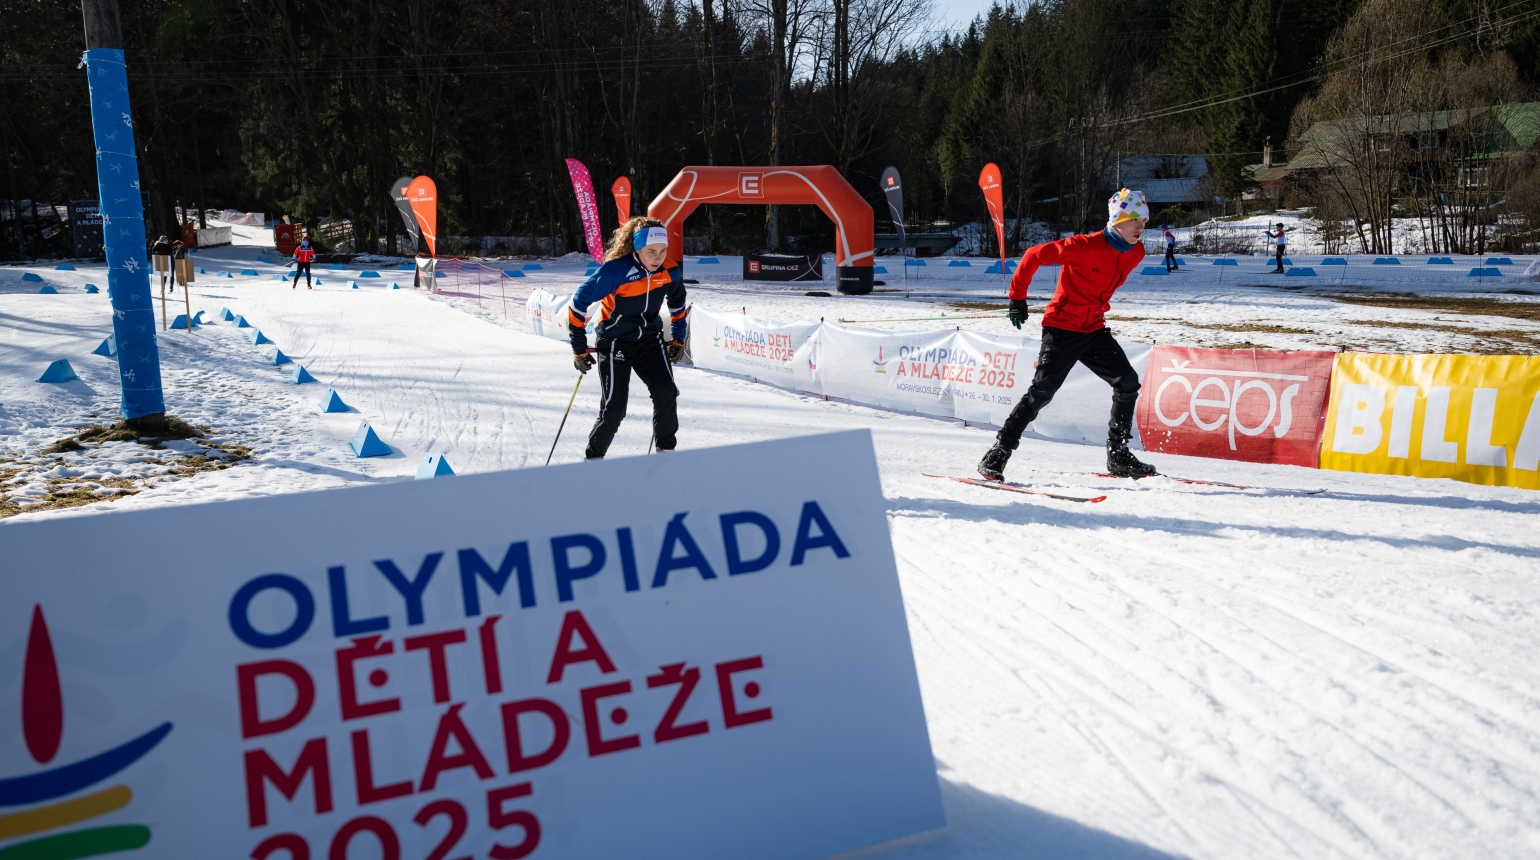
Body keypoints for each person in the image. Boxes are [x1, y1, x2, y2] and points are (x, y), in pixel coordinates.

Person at [978, 188, 1157, 481]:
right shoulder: (1084, 245)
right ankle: (999, 452)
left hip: (1094, 329)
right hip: (1062, 329)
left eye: (1144, 220)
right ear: (1117, 221)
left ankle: (1118, 455)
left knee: (1127, 384)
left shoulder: (1135, 253)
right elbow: (1034, 254)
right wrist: (1017, 297)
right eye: (1134, 219)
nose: (1141, 226)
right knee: (1041, 394)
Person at [569, 217, 689, 459]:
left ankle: (666, 454)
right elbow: (577, 304)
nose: (658, 257)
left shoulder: (670, 269)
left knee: (666, 392)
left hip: (649, 340)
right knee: (614, 409)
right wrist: (579, 348)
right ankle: (593, 459)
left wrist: (678, 338)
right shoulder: (616, 271)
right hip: (615, 341)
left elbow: (677, 304)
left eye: (663, 251)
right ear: (637, 248)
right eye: (651, 251)